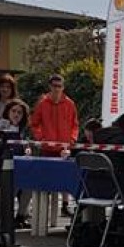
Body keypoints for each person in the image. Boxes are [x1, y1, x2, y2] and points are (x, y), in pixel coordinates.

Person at [29, 74, 79, 216]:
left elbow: (75, 124)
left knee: (65, 176)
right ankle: (43, 209)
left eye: (59, 86)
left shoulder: (70, 104)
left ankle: (65, 205)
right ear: (49, 86)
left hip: (64, 147)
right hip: (47, 148)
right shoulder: (42, 103)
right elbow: (34, 123)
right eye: (54, 86)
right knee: (46, 178)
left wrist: (72, 139)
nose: (57, 89)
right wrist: (41, 138)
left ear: (63, 87)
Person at [1, 99, 33, 228]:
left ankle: (21, 216)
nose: (16, 114)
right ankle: (5, 218)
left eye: (19, 112)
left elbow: (27, 146)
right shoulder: (1, 128)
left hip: (21, 167)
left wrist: (28, 149)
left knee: (29, 187)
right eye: (13, 111)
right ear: (7, 112)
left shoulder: (24, 131)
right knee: (10, 189)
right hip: (5, 168)